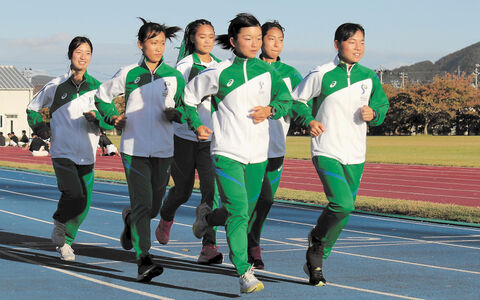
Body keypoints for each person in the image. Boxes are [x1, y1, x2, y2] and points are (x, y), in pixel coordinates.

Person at [182, 13, 292, 294]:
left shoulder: (270, 73)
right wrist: (197, 125)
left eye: (258, 38)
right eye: (248, 38)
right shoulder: (217, 74)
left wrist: (271, 110)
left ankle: (206, 219)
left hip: (258, 154)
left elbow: (285, 100)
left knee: (240, 211)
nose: (255, 43)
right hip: (226, 151)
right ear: (233, 41)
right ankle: (244, 272)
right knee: (239, 213)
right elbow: (188, 98)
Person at [291, 23, 389, 286]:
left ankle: (318, 252)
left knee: (344, 212)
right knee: (342, 204)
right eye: (352, 42)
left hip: (356, 153)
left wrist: (374, 114)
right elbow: (296, 100)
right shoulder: (321, 73)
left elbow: (382, 104)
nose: (358, 47)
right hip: (326, 149)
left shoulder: (369, 76)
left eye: (362, 42)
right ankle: (316, 248)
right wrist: (308, 121)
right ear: (337, 44)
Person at [94, 17, 184, 283]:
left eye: (161, 43)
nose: (158, 47)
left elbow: (184, 107)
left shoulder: (175, 76)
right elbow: (101, 95)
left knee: (153, 207)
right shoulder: (128, 73)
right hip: (134, 148)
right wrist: (113, 117)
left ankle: (131, 217)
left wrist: (175, 114)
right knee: (144, 204)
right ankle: (144, 259)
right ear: (140, 44)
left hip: (164, 149)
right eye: (152, 42)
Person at [26, 36, 115, 261]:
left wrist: (98, 119)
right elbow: (32, 108)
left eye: (87, 53)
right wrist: (41, 128)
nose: (83, 57)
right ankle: (60, 222)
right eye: (78, 52)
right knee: (73, 193)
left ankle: (66, 241)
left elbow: (110, 119)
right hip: (62, 152)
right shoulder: (55, 86)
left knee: (83, 204)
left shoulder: (98, 88)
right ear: (70, 55)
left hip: (87, 154)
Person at [156, 19, 223, 265]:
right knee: (183, 191)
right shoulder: (184, 65)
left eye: (211, 36)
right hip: (184, 137)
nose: (208, 40)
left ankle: (208, 246)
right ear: (192, 39)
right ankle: (166, 215)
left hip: (210, 138)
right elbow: (175, 98)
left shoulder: (220, 66)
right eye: (202, 36)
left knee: (211, 193)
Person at [246, 20, 304, 269]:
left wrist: (311, 120)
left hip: (275, 146)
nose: (276, 44)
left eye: (281, 39)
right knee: (246, 201)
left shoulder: (291, 73)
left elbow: (301, 103)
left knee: (266, 200)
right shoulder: (249, 68)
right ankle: (239, 242)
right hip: (247, 145)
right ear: (260, 40)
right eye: (271, 38)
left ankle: (253, 242)